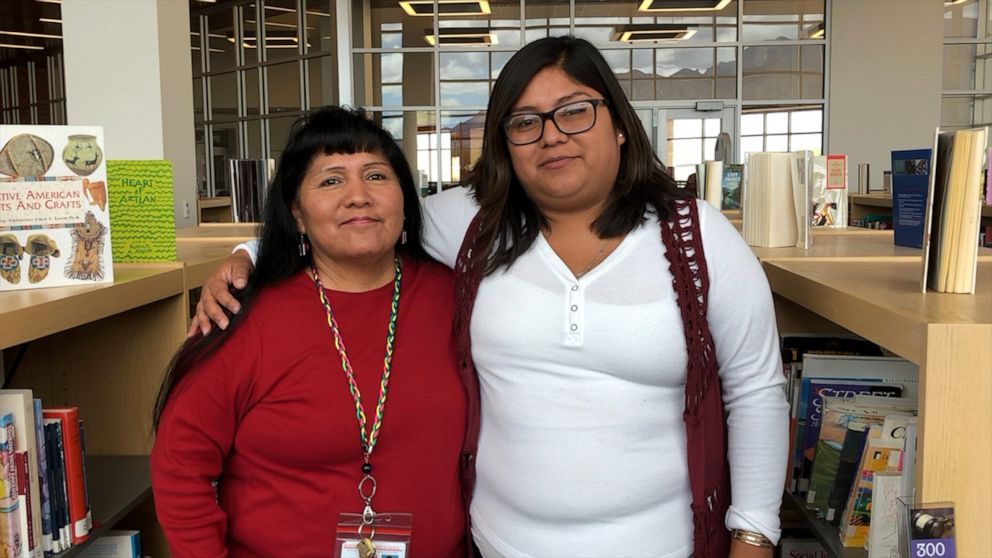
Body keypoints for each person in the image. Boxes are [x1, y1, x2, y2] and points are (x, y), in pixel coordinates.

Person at [194, 37, 789, 558]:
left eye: (574, 112)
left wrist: (754, 536)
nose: (551, 135)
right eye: (524, 122)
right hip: (497, 544)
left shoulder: (697, 236)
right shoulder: (472, 224)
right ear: (506, 143)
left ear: (620, 122)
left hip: (663, 545)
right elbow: (365, 216)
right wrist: (250, 253)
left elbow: (756, 391)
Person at [151, 107, 470, 557]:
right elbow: (180, 463)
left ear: (405, 196)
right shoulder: (243, 314)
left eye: (377, 176)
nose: (359, 196)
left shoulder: (456, 299)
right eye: (331, 180)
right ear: (297, 214)